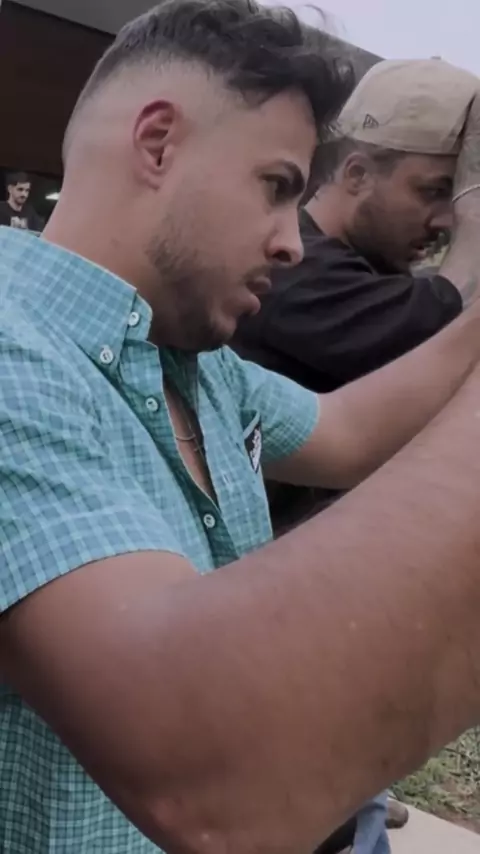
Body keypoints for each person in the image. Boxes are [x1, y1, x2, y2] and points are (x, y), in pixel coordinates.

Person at [3, 3, 480, 854]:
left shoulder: (198, 364)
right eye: (276, 186)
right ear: (157, 143)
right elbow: (207, 773)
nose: (293, 243)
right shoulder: (13, 354)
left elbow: (346, 430)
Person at [234, 58, 480, 534]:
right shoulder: (292, 270)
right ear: (357, 174)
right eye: (434, 191)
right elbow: (446, 325)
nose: (445, 220)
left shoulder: (364, 274)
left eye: (452, 199)